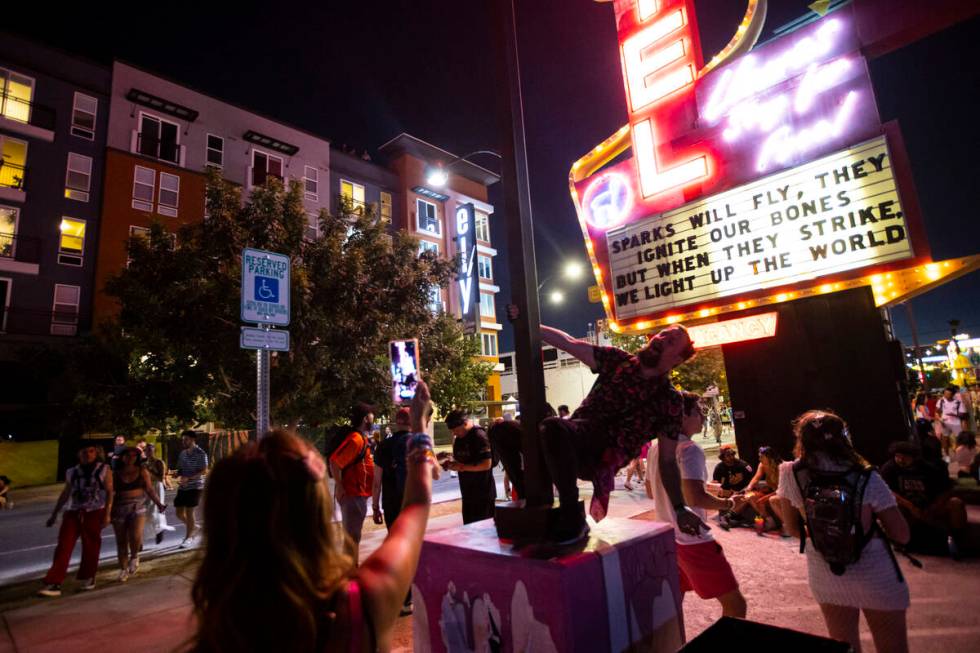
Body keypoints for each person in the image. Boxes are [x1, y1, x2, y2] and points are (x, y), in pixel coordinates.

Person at [188, 422, 436, 651]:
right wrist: (419, 427)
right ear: (319, 512)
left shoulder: (221, 635)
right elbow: (416, 506)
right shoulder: (359, 606)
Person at [500, 308, 700, 542]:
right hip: (572, 437)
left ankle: (572, 514)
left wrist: (678, 507)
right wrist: (527, 320)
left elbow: (667, 460)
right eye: (663, 334)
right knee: (502, 431)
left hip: (601, 454)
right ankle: (527, 498)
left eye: (672, 341)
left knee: (554, 427)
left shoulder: (670, 400)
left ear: (677, 359)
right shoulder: (618, 360)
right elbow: (569, 342)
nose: (662, 338)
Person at [775, 410, 911, 653]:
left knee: (843, 645)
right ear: (844, 437)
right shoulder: (866, 474)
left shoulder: (790, 473)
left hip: (826, 573)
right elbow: (902, 534)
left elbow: (793, 529)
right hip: (875, 573)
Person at [646, 391, 747, 620]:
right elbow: (694, 498)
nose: (702, 417)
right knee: (735, 605)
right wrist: (728, 503)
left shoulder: (655, 448)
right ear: (682, 415)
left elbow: (652, 490)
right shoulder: (690, 450)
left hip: (668, 537)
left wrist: (704, 488)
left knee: (674, 603)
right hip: (692, 539)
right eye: (698, 411)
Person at [38, 444, 114, 597]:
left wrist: (107, 514)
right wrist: (54, 514)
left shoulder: (104, 469)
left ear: (96, 453)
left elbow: (110, 492)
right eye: (84, 451)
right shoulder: (72, 472)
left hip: (94, 511)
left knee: (91, 546)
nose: (87, 454)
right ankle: (54, 582)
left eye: (91, 451)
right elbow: (66, 493)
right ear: (78, 454)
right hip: (73, 511)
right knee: (64, 546)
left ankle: (88, 577)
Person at [880, 441, 967, 558]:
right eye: (897, 456)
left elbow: (946, 490)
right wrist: (911, 507)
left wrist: (933, 507)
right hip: (906, 508)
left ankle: (958, 540)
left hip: (929, 506)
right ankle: (900, 541)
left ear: (914, 458)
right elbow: (887, 491)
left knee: (956, 503)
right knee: (892, 507)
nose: (900, 460)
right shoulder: (889, 468)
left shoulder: (928, 469)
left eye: (904, 457)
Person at [329, 402, 376, 558]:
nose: (373, 418)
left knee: (353, 538)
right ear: (365, 418)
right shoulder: (356, 439)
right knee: (351, 539)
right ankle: (349, 575)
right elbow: (335, 462)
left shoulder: (360, 438)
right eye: (371, 415)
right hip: (352, 495)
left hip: (357, 495)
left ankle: (351, 572)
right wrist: (340, 486)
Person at [111, 447, 166, 582]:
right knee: (121, 541)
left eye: (134, 456)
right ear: (122, 457)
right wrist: (107, 512)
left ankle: (134, 556)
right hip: (119, 509)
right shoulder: (115, 473)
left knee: (135, 536)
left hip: (137, 508)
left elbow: (149, 489)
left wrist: (159, 504)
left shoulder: (142, 471)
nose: (131, 458)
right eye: (127, 455)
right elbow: (109, 493)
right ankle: (123, 569)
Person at [445, 410, 496, 525]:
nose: (454, 434)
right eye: (452, 431)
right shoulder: (459, 438)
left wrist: (461, 467)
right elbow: (464, 459)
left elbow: (486, 464)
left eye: (456, 430)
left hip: (482, 494)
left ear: (465, 423)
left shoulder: (479, 436)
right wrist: (452, 463)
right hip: (468, 493)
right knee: (469, 531)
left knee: (483, 531)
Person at [730, 446, 785, 534]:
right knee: (750, 496)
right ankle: (769, 520)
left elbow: (783, 489)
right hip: (772, 492)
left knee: (762, 499)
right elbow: (756, 478)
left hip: (782, 493)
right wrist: (748, 488)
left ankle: (731, 515)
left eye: (761, 457)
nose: (759, 459)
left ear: (769, 457)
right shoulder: (762, 465)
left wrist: (766, 497)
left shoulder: (781, 467)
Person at [174, 431, 208, 548]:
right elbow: (180, 469)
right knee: (178, 513)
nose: (184, 442)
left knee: (189, 512)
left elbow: (203, 470)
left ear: (193, 440)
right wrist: (177, 474)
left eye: (186, 439)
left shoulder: (201, 453)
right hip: (183, 486)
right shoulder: (183, 453)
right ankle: (194, 527)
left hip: (195, 486)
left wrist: (189, 478)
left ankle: (189, 537)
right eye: (183, 440)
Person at [144, 443, 175, 544]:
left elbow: (160, 478)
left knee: (156, 509)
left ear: (154, 451)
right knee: (146, 510)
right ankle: (145, 535)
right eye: (146, 450)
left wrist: (148, 470)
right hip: (147, 488)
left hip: (157, 486)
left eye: (150, 450)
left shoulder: (159, 462)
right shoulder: (144, 463)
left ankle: (160, 531)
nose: (148, 452)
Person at [936, 385, 966, 456]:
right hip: (945, 423)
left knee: (959, 439)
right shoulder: (941, 401)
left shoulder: (958, 402)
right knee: (945, 439)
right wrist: (939, 419)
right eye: (945, 394)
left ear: (952, 395)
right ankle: (946, 455)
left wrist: (954, 414)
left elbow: (963, 414)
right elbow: (937, 411)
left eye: (948, 394)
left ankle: (959, 453)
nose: (946, 395)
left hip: (956, 423)